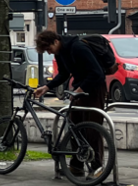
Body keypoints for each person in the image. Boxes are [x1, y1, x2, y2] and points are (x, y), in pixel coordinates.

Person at [33, 29, 106, 178]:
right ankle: (76, 166)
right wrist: (47, 87)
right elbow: (64, 73)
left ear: (56, 41)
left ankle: (97, 166)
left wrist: (80, 89)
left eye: (49, 49)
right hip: (79, 89)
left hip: (94, 88)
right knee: (74, 126)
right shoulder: (60, 53)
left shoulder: (78, 48)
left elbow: (97, 72)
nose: (49, 52)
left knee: (92, 128)